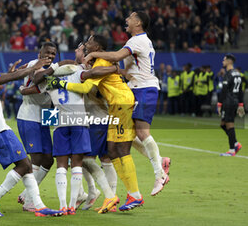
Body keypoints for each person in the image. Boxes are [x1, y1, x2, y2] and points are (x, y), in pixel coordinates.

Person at [47, 35, 144, 212]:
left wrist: (57, 77)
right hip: (101, 116)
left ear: (94, 48)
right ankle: (107, 196)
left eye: (83, 47)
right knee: (109, 155)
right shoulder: (85, 68)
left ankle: (101, 193)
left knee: (85, 158)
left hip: (97, 118)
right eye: (79, 47)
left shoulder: (89, 68)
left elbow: (84, 87)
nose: (80, 49)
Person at [23, 43, 119, 214]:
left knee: (61, 166)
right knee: (78, 164)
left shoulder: (49, 76)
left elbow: (34, 85)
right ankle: (73, 205)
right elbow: (94, 73)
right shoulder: (77, 71)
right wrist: (113, 69)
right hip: (80, 122)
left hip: (61, 124)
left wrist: (23, 89)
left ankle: (62, 205)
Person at [84, 12, 170, 196]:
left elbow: (115, 56)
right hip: (136, 88)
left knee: (141, 131)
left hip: (144, 88)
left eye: (130, 18)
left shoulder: (137, 41)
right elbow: (128, 67)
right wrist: (120, 72)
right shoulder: (138, 41)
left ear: (138, 22)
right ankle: (159, 162)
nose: (126, 20)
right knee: (128, 135)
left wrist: (93, 53)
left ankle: (160, 174)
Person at [0, 54, 62, 217]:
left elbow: (6, 78)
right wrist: (33, 67)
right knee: (25, 165)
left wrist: (9, 74)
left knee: (26, 165)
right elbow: (11, 77)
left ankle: (38, 206)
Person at [16, 42, 57, 212]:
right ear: (40, 53)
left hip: (45, 115)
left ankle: (26, 194)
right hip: (29, 116)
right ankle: (30, 202)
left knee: (49, 158)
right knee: (36, 159)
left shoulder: (52, 69)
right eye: (47, 52)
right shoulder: (36, 65)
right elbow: (35, 80)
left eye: (54, 54)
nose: (50, 56)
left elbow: (52, 97)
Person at [218, 54, 245, 156]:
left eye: (224, 60)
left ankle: (232, 150)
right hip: (234, 101)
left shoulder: (228, 74)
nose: (222, 62)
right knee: (223, 124)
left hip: (228, 101)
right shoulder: (238, 74)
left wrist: (220, 104)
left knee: (229, 124)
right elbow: (240, 91)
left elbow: (224, 90)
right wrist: (241, 104)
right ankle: (236, 143)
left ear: (229, 61)